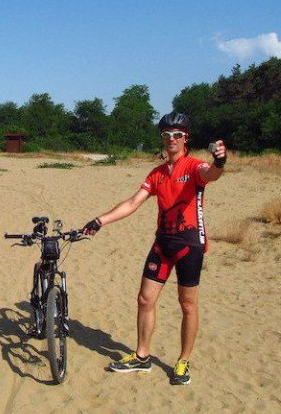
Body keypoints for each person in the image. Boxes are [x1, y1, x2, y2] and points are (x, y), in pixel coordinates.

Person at [82, 112, 227, 385]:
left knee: (187, 304)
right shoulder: (157, 174)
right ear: (162, 138)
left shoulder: (194, 167)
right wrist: (100, 220)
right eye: (166, 134)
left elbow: (212, 174)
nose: (171, 139)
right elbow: (133, 203)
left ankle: (183, 360)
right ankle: (142, 356)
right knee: (145, 300)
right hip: (162, 243)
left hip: (189, 246)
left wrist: (220, 160)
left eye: (177, 134)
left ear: (186, 138)